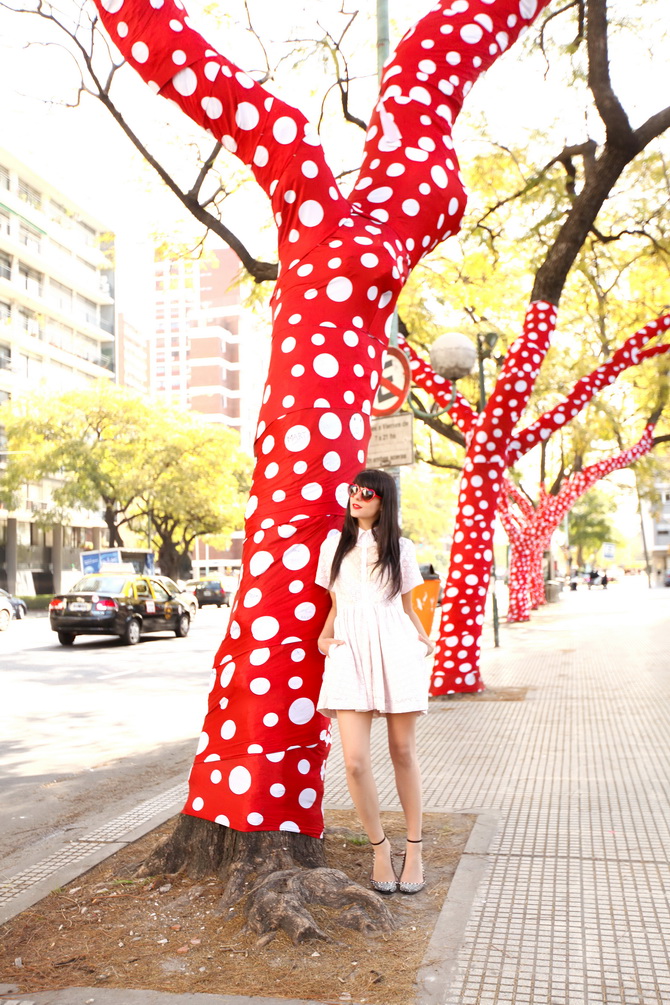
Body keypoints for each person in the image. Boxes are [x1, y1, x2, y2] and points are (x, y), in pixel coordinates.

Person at [315, 469, 434, 895]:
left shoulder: (400, 547)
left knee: (403, 751)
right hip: (349, 652)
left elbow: (406, 607)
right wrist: (325, 640)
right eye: (352, 491)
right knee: (354, 761)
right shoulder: (335, 545)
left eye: (366, 493)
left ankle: (415, 848)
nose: (356, 497)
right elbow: (334, 605)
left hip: (395, 650)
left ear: (384, 500)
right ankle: (380, 848)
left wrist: (423, 641)